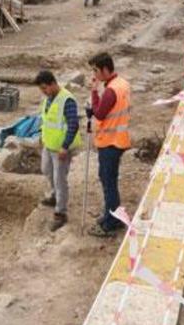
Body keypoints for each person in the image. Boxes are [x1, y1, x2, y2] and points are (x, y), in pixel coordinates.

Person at [87, 52, 133, 237]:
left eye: (96, 70)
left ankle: (111, 222)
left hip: (110, 142)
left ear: (105, 69)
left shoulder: (111, 90)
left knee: (109, 182)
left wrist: (93, 92)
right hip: (118, 139)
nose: (94, 74)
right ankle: (111, 214)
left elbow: (99, 114)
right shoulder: (122, 84)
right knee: (108, 179)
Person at [35, 71, 81, 232]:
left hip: (61, 149)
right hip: (49, 145)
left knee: (60, 179)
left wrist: (65, 146)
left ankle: (60, 213)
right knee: (46, 170)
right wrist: (42, 136)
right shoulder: (48, 99)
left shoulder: (67, 100)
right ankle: (55, 196)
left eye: (45, 88)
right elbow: (47, 121)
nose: (43, 92)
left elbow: (73, 125)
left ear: (53, 84)